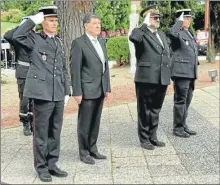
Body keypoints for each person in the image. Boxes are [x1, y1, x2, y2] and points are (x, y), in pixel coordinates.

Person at [13, 6, 70, 182]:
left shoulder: (58, 42)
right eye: (51, 20)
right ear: (43, 22)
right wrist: (32, 20)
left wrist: (67, 91)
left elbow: (62, 68)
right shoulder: (33, 39)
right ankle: (41, 167)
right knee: (41, 132)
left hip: (58, 93)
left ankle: (52, 164)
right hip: (42, 93)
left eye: (56, 20)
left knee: (55, 130)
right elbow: (15, 36)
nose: (54, 24)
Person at [70, 12, 111, 165]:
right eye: (94, 23)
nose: (98, 26)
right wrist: (77, 91)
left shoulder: (101, 41)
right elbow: (75, 69)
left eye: (99, 23)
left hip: (100, 89)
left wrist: (107, 87)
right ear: (86, 25)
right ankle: (83, 152)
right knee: (85, 122)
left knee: (95, 121)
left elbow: (105, 66)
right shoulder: (79, 43)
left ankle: (93, 148)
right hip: (86, 90)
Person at [129, 4, 171, 150]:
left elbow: (166, 53)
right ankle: (144, 138)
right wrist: (144, 25)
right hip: (146, 78)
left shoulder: (161, 34)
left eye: (158, 17)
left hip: (161, 77)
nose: (157, 19)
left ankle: (153, 136)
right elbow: (133, 37)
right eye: (154, 17)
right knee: (145, 109)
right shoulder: (140, 33)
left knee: (155, 109)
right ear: (147, 18)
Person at [169, 9, 198, 138]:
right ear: (180, 20)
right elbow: (171, 33)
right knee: (180, 100)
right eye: (186, 18)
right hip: (181, 73)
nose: (189, 20)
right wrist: (179, 22)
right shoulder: (177, 33)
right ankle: (178, 128)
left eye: (189, 18)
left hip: (190, 73)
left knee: (187, 100)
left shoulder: (188, 33)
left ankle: (183, 124)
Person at [4, 16, 34, 136]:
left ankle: (32, 122)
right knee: (25, 99)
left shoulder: (33, 37)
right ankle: (25, 123)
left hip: (35, 71)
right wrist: (21, 27)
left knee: (34, 99)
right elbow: (7, 36)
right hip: (23, 71)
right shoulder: (16, 38)